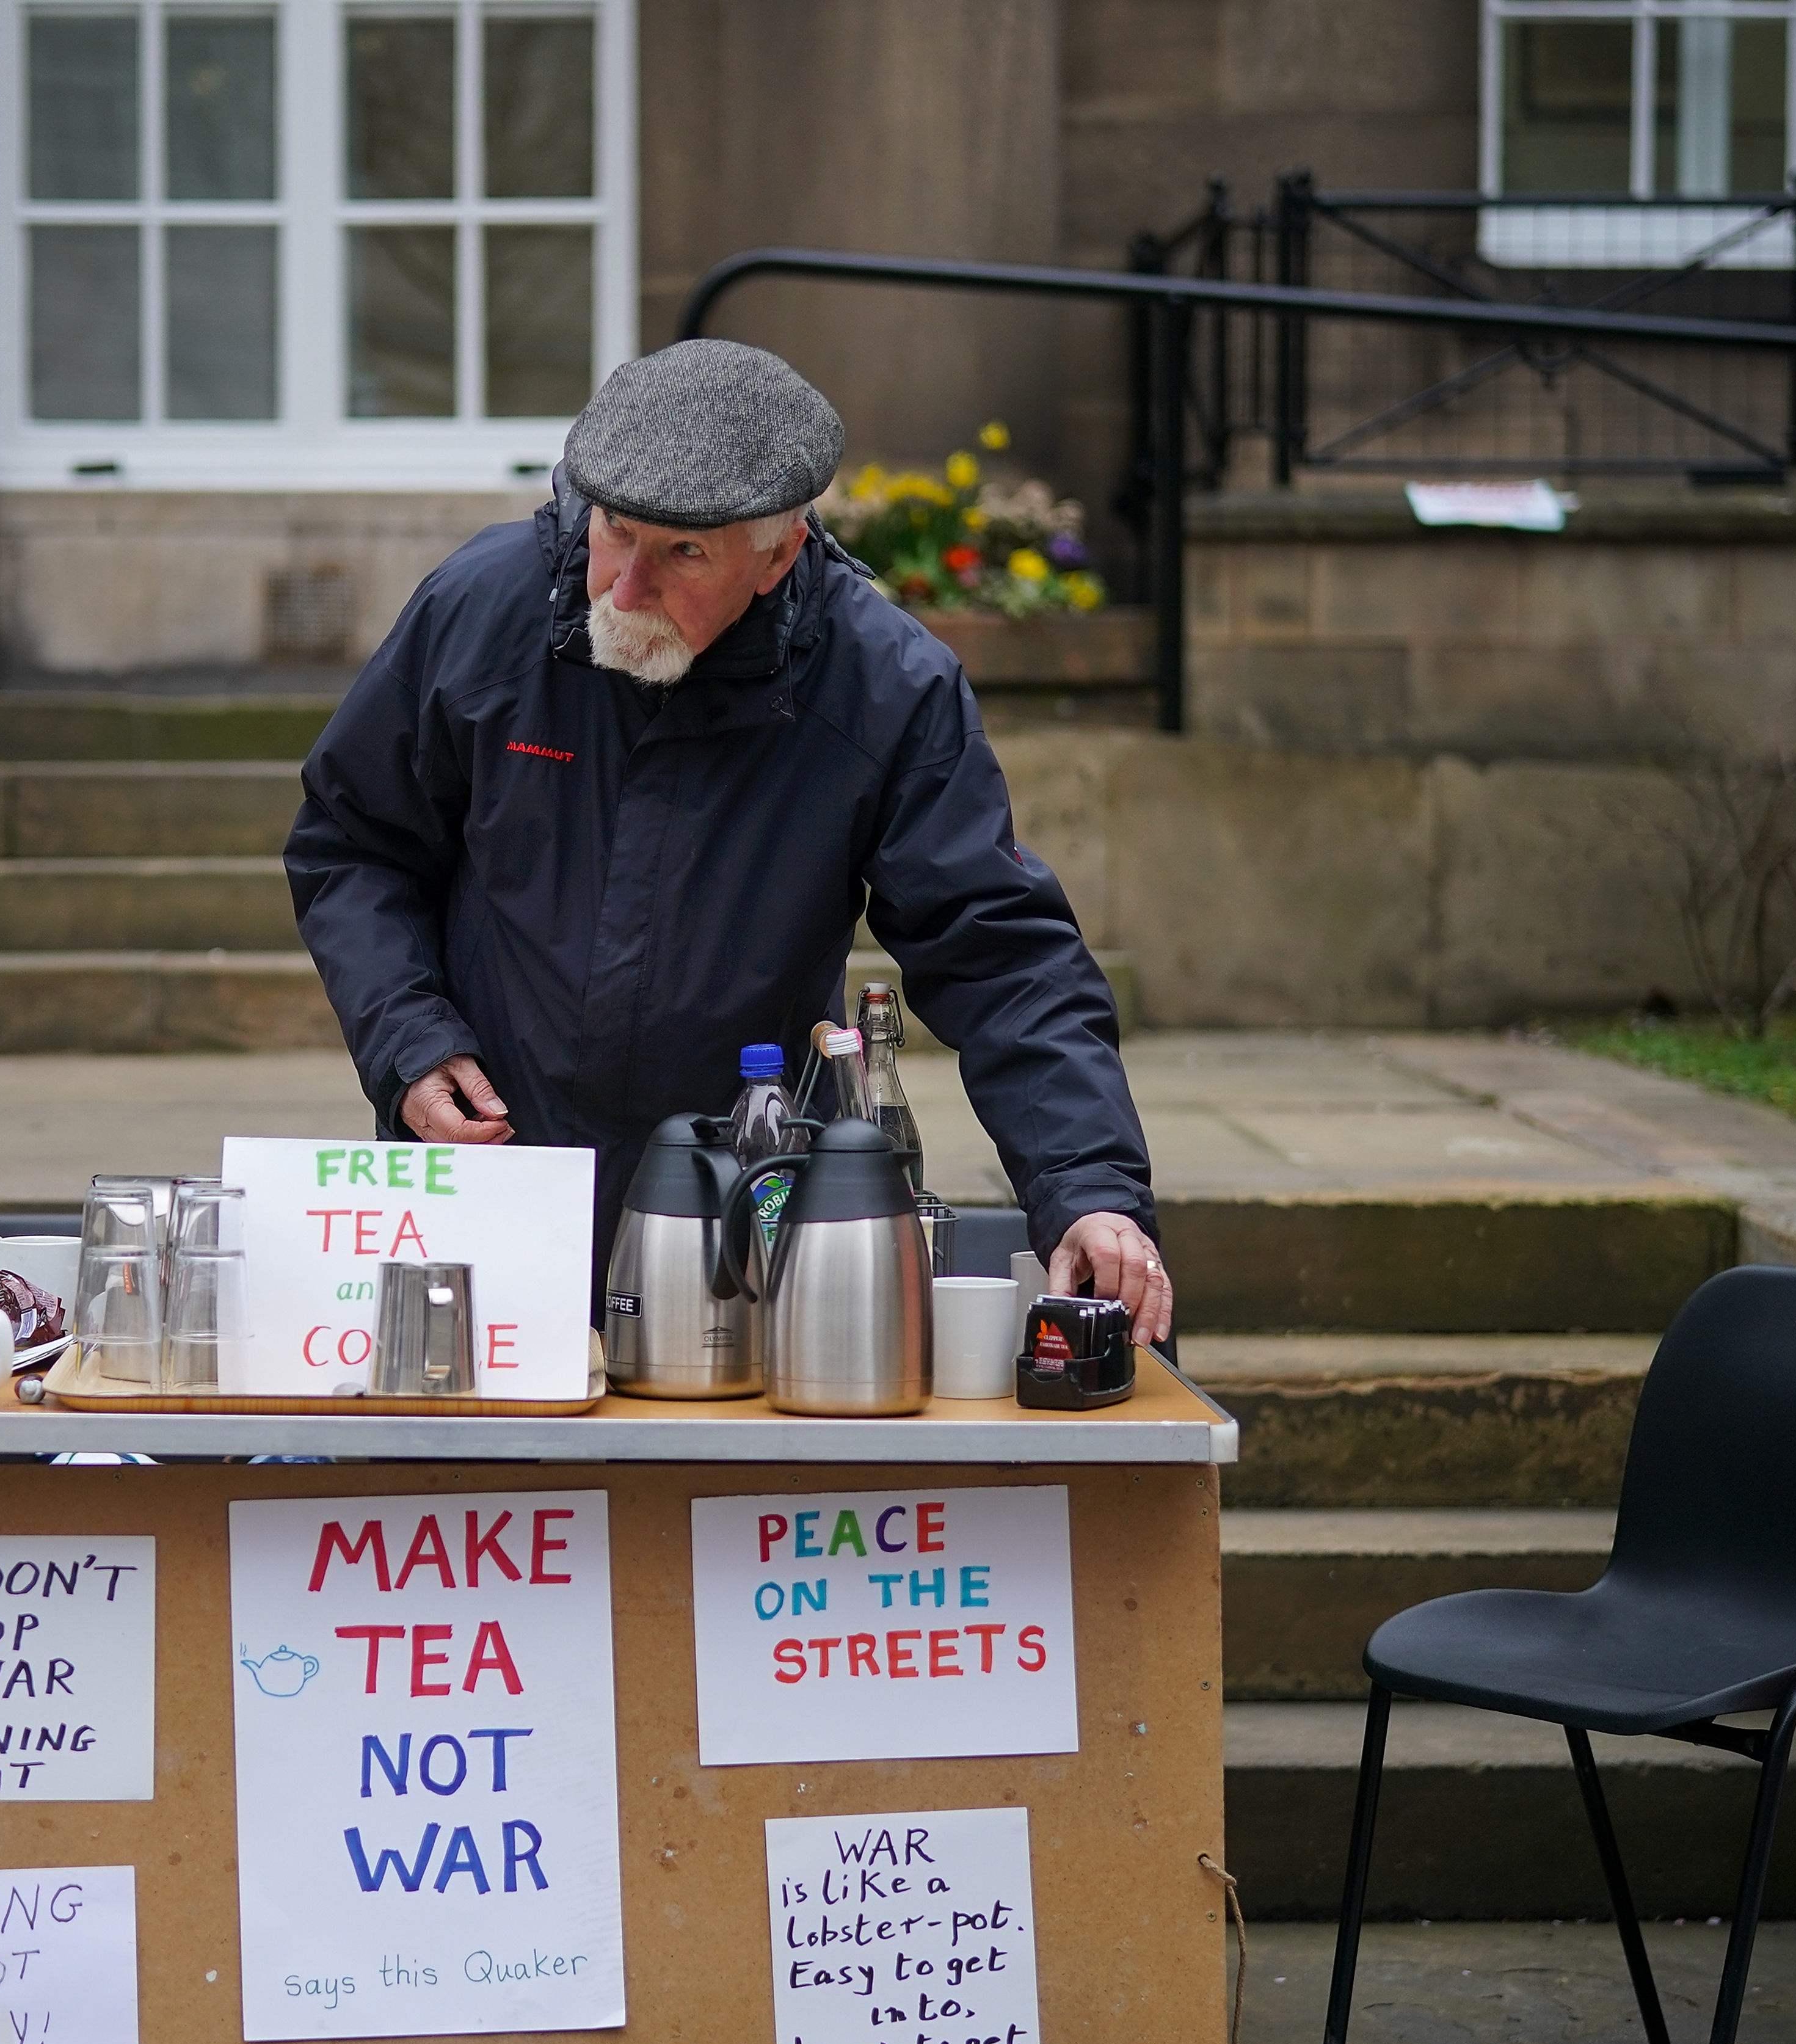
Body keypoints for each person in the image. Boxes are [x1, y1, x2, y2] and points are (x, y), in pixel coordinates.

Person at [286, 338, 1173, 1341]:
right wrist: (408, 1039)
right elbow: (352, 844)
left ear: (779, 555)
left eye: (682, 554)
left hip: (737, 1207)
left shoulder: (884, 686)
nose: (622, 589)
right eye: (615, 533)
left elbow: (1003, 956)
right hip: (485, 1175)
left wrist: (1086, 1186)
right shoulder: (481, 608)